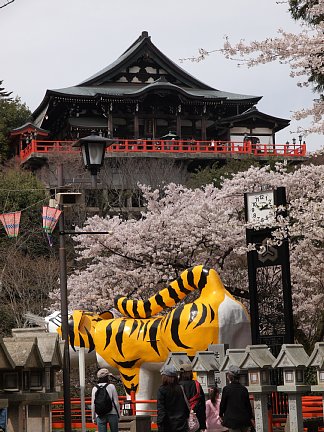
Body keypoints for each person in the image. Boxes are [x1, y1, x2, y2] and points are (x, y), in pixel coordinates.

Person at [219, 366, 254, 432]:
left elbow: (223, 404)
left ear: (229, 376)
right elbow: (248, 405)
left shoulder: (226, 389)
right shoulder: (244, 389)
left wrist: (221, 414)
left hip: (232, 420)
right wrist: (251, 417)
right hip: (244, 420)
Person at [157, 365, 190, 432]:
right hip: (181, 423)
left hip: (167, 424)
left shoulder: (162, 389)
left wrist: (160, 422)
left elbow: (161, 408)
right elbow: (185, 406)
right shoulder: (181, 388)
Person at [91, 368, 120, 432]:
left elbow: (93, 404)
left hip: (100, 414)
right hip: (112, 413)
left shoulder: (95, 388)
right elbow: (116, 402)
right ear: (107, 377)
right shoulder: (111, 386)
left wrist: (93, 418)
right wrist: (118, 415)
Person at [179, 364, 206, 431]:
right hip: (196, 417)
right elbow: (202, 405)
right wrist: (203, 424)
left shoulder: (178, 385)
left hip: (181, 419)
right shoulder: (197, 384)